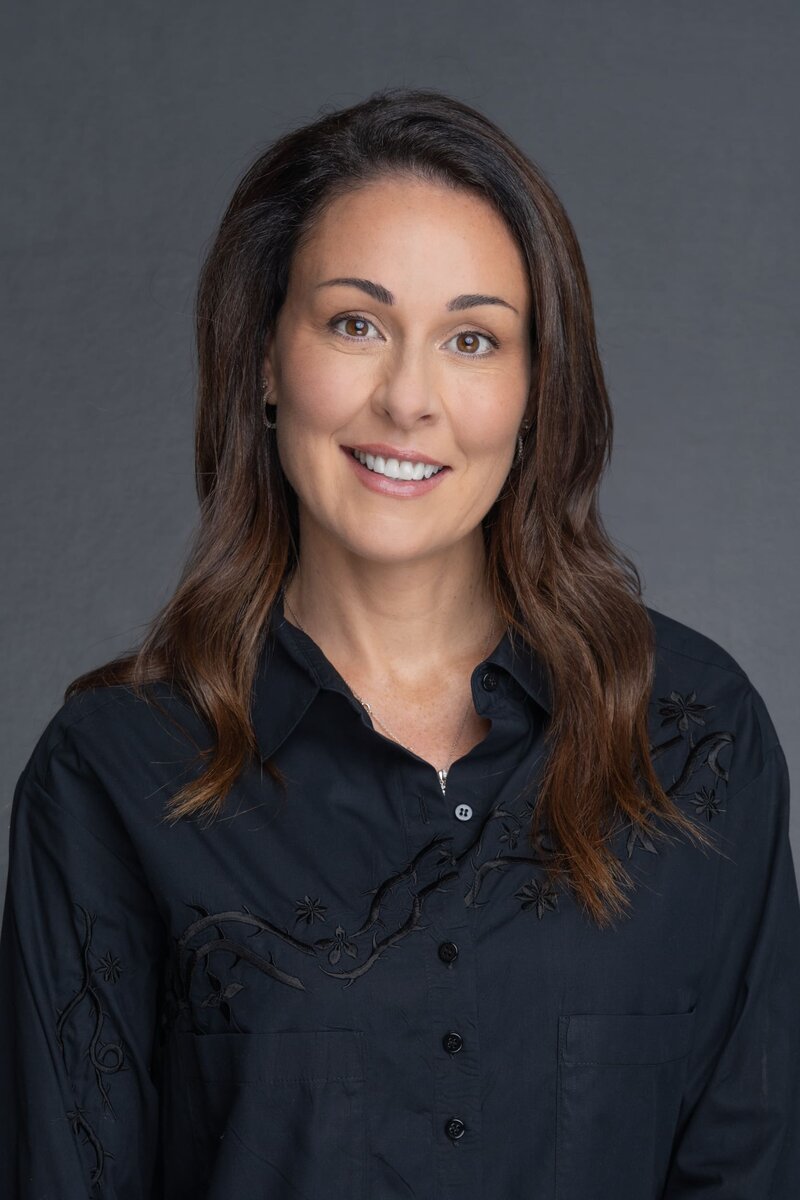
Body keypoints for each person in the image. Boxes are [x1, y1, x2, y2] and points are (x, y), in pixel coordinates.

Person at [1, 85, 798, 1199]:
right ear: (266, 360)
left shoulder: (695, 742)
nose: (409, 398)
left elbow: (748, 1165)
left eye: (472, 339)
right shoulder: (112, 773)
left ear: (533, 392)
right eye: (355, 323)